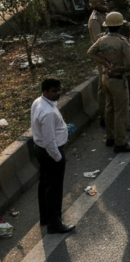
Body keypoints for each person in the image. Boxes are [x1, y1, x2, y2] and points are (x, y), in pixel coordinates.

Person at [87, 11, 130, 153]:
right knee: (121, 112)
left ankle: (110, 137)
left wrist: (105, 62)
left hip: (105, 78)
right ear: (120, 26)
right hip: (118, 81)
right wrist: (119, 69)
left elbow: (90, 52)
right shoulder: (122, 42)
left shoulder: (102, 40)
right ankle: (120, 142)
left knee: (109, 108)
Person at [31, 79, 76, 234]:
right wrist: (58, 158)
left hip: (40, 149)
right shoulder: (48, 112)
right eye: (54, 91)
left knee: (44, 185)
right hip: (51, 153)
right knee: (54, 190)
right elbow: (50, 142)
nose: (57, 94)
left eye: (58, 90)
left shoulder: (39, 102)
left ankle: (45, 218)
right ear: (45, 92)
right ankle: (55, 223)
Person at [87, 0, 109, 127]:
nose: (106, 4)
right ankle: (104, 116)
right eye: (104, 2)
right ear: (97, 4)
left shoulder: (104, 14)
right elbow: (98, 40)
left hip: (110, 54)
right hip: (102, 57)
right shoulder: (94, 20)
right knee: (104, 87)